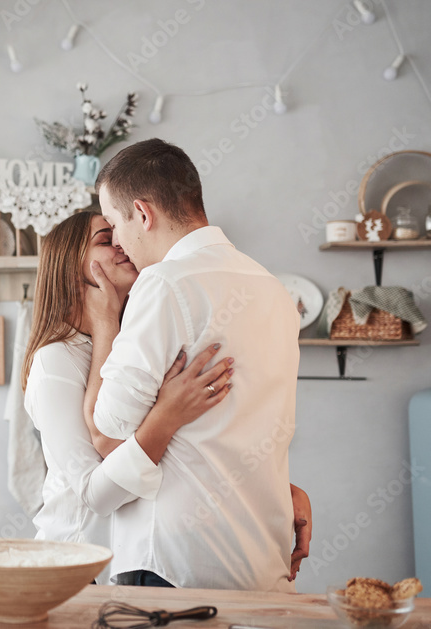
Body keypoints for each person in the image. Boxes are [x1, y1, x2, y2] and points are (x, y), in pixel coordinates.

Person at [91, 138, 307, 591]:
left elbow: (109, 424)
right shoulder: (274, 290)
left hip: (173, 563)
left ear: (143, 214)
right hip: (261, 559)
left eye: (114, 224)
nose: (120, 244)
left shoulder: (164, 284)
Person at [22, 212, 235, 571]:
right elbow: (95, 495)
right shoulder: (54, 360)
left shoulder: (133, 344)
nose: (121, 244)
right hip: (74, 566)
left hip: (130, 561)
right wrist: (166, 417)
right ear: (69, 267)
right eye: (106, 240)